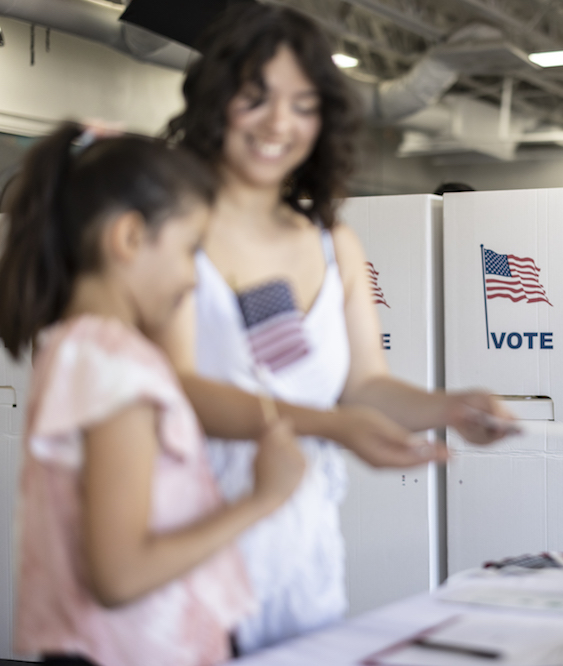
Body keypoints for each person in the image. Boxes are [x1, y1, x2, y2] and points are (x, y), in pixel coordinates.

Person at [161, 4, 512, 654]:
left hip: (301, 541)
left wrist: (448, 406)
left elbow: (362, 386)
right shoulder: (171, 235)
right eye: (255, 97)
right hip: (191, 542)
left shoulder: (331, 243)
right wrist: (327, 426)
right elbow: (180, 389)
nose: (278, 123)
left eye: (302, 104)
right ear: (215, 103)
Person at [0, 123, 306, 666]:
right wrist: (262, 499)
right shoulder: (117, 369)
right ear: (129, 238)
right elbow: (120, 576)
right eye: (190, 249)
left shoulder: (73, 348)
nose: (193, 279)